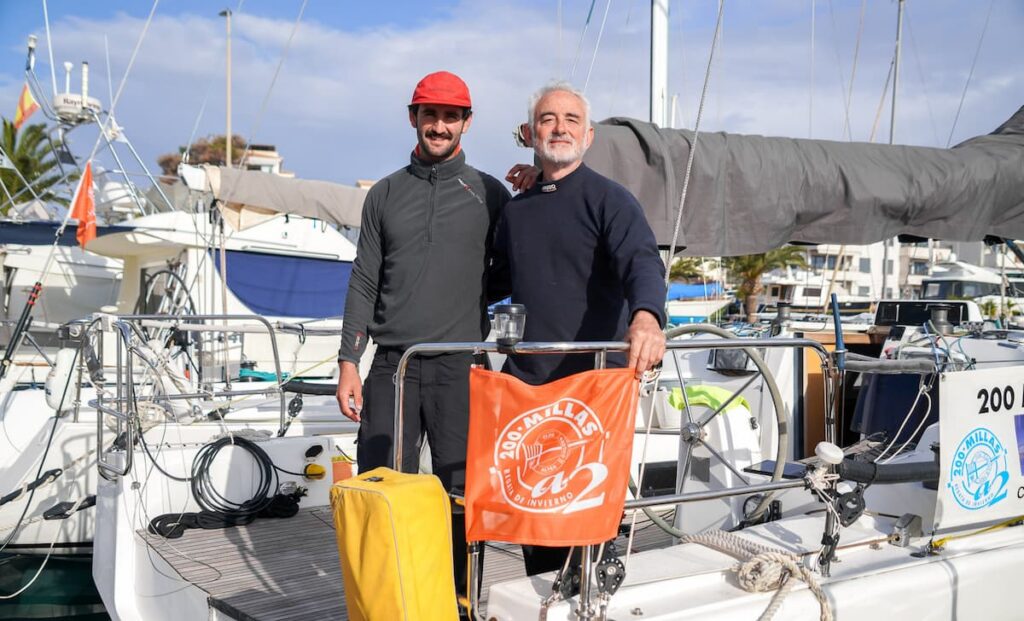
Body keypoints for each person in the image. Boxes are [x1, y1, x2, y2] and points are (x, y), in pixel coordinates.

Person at [335, 70, 510, 601]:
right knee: (382, 483)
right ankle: (390, 597)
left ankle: (456, 599)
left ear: (467, 122)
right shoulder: (385, 194)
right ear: (413, 118)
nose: (439, 125)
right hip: (394, 364)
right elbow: (365, 277)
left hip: (461, 363)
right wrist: (348, 361)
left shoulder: (490, 192)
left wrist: (472, 293)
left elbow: (511, 268)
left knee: (460, 491)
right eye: (429, 114)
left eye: (450, 115)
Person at [490, 81, 667, 576]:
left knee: (584, 513)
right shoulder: (516, 209)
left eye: (571, 120)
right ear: (530, 133)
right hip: (528, 383)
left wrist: (648, 317)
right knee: (532, 512)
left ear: (588, 136)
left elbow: (641, 261)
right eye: (548, 119)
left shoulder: (611, 199)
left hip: (593, 383)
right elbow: (494, 281)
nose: (560, 127)